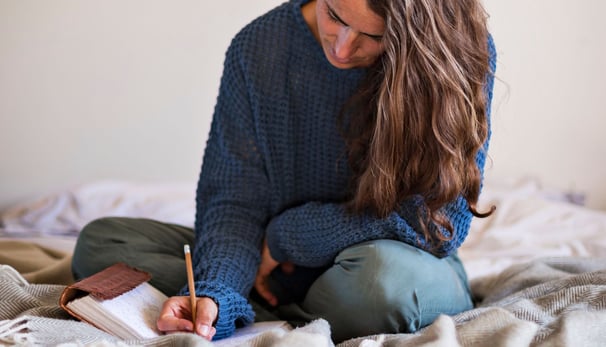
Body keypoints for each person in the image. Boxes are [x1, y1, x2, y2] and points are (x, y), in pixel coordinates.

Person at [72, 0, 497, 343]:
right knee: (101, 243)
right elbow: (233, 199)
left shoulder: (458, 55)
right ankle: (242, 306)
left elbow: (435, 224)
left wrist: (288, 237)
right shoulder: (258, 48)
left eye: (371, 35)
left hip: (388, 263)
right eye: (334, 15)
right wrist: (217, 291)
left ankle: (276, 306)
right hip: (271, 269)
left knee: (381, 286)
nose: (342, 48)